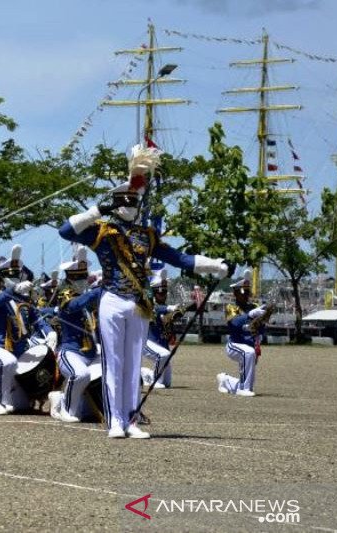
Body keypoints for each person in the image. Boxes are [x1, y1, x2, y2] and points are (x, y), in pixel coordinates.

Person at [59, 144, 229, 439]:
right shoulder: (102, 231)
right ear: (115, 203)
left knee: (134, 363)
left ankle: (131, 419)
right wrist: (97, 210)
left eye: (133, 201)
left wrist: (215, 265)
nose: (128, 206)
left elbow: (181, 259)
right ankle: (114, 421)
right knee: (114, 363)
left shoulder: (146, 236)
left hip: (138, 303)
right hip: (111, 299)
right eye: (123, 201)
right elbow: (65, 231)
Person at [0, 245, 56, 415]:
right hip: (0, 347)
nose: (14, 278)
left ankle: (53, 398)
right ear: (1, 277)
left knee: (21, 406)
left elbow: (36, 318)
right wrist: (11, 290)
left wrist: (49, 331)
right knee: (7, 362)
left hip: (21, 349)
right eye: (9, 275)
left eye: (16, 274)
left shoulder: (23, 299)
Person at [48, 245, 102, 423]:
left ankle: (69, 401)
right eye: (79, 277)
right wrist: (96, 291)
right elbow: (73, 306)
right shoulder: (66, 295)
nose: (83, 280)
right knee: (80, 375)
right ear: (70, 279)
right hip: (70, 351)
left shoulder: (87, 295)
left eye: (84, 277)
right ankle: (66, 409)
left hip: (91, 352)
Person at [217, 269, 272, 397]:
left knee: (248, 383)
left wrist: (263, 320)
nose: (246, 294)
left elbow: (260, 329)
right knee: (248, 353)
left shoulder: (253, 306)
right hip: (234, 345)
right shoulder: (231, 308)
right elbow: (234, 324)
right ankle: (243, 390)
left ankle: (225, 380)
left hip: (250, 346)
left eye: (247, 291)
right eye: (243, 292)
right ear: (236, 293)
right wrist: (250, 315)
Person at [140, 269, 194, 389]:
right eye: (160, 291)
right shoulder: (148, 305)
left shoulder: (164, 307)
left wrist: (181, 311)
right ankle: (155, 381)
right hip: (146, 342)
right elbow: (157, 309)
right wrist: (171, 308)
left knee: (167, 383)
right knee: (163, 355)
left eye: (165, 291)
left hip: (161, 344)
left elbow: (166, 320)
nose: (163, 294)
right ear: (153, 292)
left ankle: (145, 374)